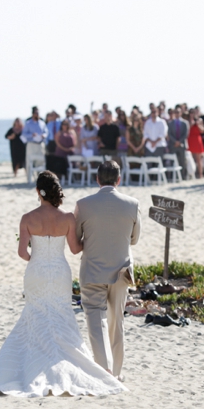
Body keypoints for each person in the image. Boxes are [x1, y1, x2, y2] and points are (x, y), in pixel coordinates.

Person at [0, 171, 125, 397]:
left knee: (35, 313)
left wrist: (37, 260)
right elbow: (75, 249)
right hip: (60, 271)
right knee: (61, 314)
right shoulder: (66, 218)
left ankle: (33, 364)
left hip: (36, 273)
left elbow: (22, 252)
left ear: (38, 192)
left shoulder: (27, 218)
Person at [75, 161, 140, 382]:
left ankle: (104, 370)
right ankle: (118, 371)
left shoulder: (83, 205)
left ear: (97, 179)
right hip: (121, 272)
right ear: (119, 179)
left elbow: (76, 241)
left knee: (95, 320)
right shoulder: (132, 204)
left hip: (92, 270)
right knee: (116, 321)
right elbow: (135, 239)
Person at [21, 106, 48, 185]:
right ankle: (29, 179)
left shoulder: (42, 123)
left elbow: (46, 132)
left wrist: (44, 135)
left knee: (41, 162)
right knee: (30, 162)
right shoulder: (28, 123)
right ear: (33, 114)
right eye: (36, 113)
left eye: (38, 113)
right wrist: (31, 135)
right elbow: (24, 134)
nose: (37, 114)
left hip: (40, 144)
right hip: (31, 144)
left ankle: (41, 179)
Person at [166, 108, 189, 179]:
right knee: (173, 162)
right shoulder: (170, 123)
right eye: (175, 112)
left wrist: (179, 142)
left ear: (181, 113)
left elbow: (186, 134)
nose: (177, 114)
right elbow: (169, 134)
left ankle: (183, 176)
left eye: (178, 112)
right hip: (173, 145)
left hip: (182, 145)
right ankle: (174, 176)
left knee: (182, 161)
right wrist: (175, 142)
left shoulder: (185, 123)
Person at [187, 110, 204, 178]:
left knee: (198, 159)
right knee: (190, 158)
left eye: (193, 112)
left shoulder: (200, 120)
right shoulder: (188, 121)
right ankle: (191, 174)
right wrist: (191, 124)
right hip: (190, 140)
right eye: (190, 112)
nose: (192, 114)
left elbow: (203, 130)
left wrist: (197, 124)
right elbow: (187, 129)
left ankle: (200, 174)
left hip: (197, 140)